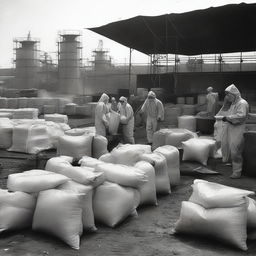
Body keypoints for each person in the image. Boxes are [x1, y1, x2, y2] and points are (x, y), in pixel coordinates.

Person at [220, 84, 249, 179]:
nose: (227, 97)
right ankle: (234, 165)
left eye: (229, 95)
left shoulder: (242, 103)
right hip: (232, 128)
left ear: (234, 94)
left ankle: (237, 172)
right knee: (229, 146)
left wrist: (228, 118)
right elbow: (231, 113)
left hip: (238, 129)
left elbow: (241, 116)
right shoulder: (234, 103)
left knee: (235, 150)